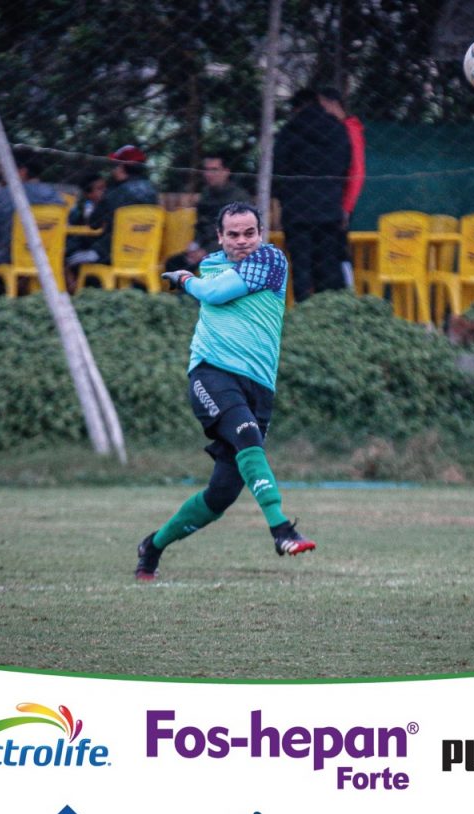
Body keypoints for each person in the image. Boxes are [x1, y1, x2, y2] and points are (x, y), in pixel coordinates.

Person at [135, 201, 315, 581]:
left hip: (258, 386)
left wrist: (185, 280)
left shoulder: (271, 260)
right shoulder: (211, 266)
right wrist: (195, 280)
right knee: (248, 434)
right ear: (220, 237)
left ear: (261, 234)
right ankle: (282, 530)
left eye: (250, 233)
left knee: (221, 495)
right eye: (233, 234)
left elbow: (214, 293)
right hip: (211, 373)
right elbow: (213, 291)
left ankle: (152, 546)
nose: (242, 240)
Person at [273, 88, 351, 301]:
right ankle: (328, 308)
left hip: (297, 210)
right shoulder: (338, 129)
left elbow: (279, 169)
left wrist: (285, 197)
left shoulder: (289, 131)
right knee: (327, 264)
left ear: (296, 108)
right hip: (329, 208)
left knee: (301, 267)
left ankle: (305, 309)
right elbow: (345, 165)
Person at [0, 151, 63, 269]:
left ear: (22, 171)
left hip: (8, 261)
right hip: (46, 260)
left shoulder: (5, 194)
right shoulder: (55, 196)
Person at [77, 145, 158, 266]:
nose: (113, 170)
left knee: (70, 258)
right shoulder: (152, 192)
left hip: (110, 254)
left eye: (114, 166)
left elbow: (94, 224)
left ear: (121, 167)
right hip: (146, 253)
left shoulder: (115, 193)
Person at [317, 86, 366, 287]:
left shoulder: (349, 129)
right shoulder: (335, 129)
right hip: (331, 202)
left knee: (338, 252)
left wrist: (346, 208)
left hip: (340, 204)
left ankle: (347, 293)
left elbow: (357, 171)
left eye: (321, 106)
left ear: (333, 104)